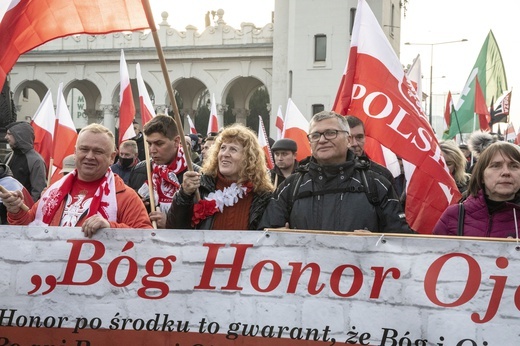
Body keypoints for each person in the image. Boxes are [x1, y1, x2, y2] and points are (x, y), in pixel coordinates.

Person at [258, 111, 411, 233]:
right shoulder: (290, 186)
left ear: (347, 139)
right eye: (315, 135)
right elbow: (263, 235)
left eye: (331, 133)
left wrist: (376, 242)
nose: (322, 140)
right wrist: (275, 236)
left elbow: (401, 239)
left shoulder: (376, 183)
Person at [0, 123, 152, 236]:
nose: (90, 156)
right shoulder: (54, 191)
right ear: (75, 152)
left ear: (112, 157)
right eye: (84, 149)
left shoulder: (126, 197)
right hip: (53, 275)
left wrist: (111, 227)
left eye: (98, 151)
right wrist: (15, 210)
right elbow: (28, 228)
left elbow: (146, 239)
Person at [166, 123, 274, 230]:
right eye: (222, 148)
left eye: (233, 149)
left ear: (249, 157)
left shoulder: (262, 195)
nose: (225, 154)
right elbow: (174, 228)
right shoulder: (200, 187)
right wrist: (184, 194)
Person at [433, 142, 520, 238]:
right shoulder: (454, 215)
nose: (506, 172)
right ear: (481, 176)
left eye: (514, 166)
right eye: (496, 166)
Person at [129, 115, 196, 228]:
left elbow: (201, 224)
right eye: (149, 144)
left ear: (176, 141)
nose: (152, 150)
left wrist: (170, 224)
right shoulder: (140, 170)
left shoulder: (194, 175)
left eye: (159, 144)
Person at [345, 115, 396, 185]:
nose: (354, 143)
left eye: (359, 137)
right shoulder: (327, 173)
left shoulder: (383, 174)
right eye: (349, 138)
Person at [4, 121, 46, 202]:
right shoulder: (9, 156)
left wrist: (28, 212)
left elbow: (37, 192)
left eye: (9, 134)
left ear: (19, 135)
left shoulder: (36, 161)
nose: (5, 137)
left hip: (22, 211)